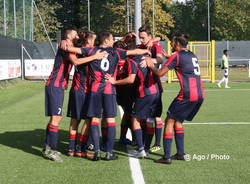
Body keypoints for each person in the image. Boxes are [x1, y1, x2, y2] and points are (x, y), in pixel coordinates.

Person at [65, 31, 150, 161]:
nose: (112, 41)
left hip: (94, 89)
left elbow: (70, 49)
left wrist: (64, 44)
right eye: (111, 39)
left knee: (94, 119)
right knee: (110, 120)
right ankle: (109, 152)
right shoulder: (115, 52)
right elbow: (134, 52)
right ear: (106, 41)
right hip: (109, 90)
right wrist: (146, 53)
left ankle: (97, 151)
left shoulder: (91, 50)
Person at [42, 28, 106, 162]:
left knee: (57, 119)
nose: (78, 36)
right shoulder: (66, 46)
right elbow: (75, 61)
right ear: (69, 36)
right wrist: (94, 57)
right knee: (57, 119)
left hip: (59, 85)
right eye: (75, 35)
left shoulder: (74, 47)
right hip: (56, 85)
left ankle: (47, 147)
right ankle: (52, 151)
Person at [145, 33, 205, 164]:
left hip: (187, 94)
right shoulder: (191, 54)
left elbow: (160, 73)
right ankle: (180, 153)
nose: (171, 44)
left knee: (169, 120)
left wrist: (150, 65)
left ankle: (166, 157)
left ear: (177, 43)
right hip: (200, 94)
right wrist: (169, 57)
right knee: (178, 121)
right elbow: (183, 65)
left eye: (172, 42)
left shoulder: (176, 56)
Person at [138, 25, 164, 153]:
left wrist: (150, 60)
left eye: (143, 38)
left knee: (156, 116)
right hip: (146, 87)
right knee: (146, 117)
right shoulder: (142, 47)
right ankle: (145, 143)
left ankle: (157, 143)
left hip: (155, 86)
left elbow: (160, 59)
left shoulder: (155, 46)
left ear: (149, 37)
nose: (141, 40)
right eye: (140, 38)